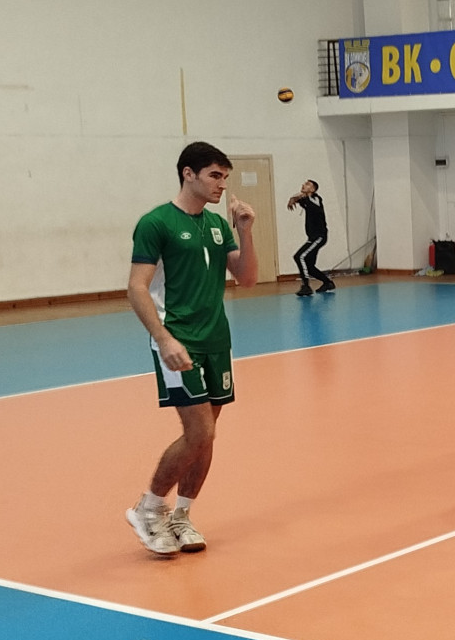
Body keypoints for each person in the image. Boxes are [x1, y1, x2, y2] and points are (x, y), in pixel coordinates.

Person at [124, 141, 258, 557]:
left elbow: (247, 278)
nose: (222, 185)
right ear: (188, 173)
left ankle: (181, 515)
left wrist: (245, 231)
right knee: (200, 431)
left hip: (217, 339)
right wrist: (164, 338)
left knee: (206, 435)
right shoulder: (156, 223)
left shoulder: (217, 225)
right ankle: (148, 508)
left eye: (225, 177)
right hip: (178, 338)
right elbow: (137, 287)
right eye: (215, 175)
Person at [287, 179, 334, 296]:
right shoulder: (306, 200)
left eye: (307, 184)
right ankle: (328, 283)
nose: (303, 185)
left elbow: (310, 203)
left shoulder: (316, 199)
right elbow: (297, 198)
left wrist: (298, 198)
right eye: (304, 183)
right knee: (309, 266)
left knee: (299, 256)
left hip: (319, 237)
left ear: (313, 189)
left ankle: (306, 286)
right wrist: (292, 199)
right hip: (312, 238)